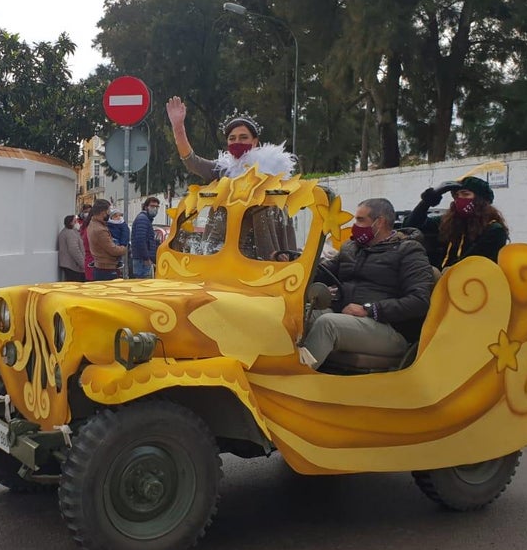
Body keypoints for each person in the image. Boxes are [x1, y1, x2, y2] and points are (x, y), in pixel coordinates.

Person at [300, 198, 434, 370]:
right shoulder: (351, 248)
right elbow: (321, 272)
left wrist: (370, 309)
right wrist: (293, 266)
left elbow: (419, 300)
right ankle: (270, 372)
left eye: (360, 220)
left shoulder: (408, 251)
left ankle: (294, 381)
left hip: (388, 328)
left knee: (327, 324)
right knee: (299, 316)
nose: (355, 225)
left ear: (380, 222)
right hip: (346, 315)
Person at [165, 97, 296, 180]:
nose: (237, 141)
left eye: (243, 137)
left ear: (255, 141)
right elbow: (193, 162)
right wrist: (178, 128)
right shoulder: (222, 169)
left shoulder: (272, 167)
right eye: (232, 138)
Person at [404, 176, 509, 269]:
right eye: (457, 195)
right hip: (442, 283)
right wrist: (427, 201)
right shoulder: (449, 222)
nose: (460, 199)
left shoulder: (494, 230)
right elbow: (411, 225)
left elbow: (469, 263)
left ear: (480, 199)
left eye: (465, 194)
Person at [86, 199, 127, 282]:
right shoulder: (100, 230)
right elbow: (113, 250)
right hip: (106, 269)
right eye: (108, 210)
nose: (109, 213)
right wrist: (124, 248)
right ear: (103, 212)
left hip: (101, 267)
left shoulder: (93, 224)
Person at [131, 197, 161, 278]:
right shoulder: (143, 219)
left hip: (142, 259)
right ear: (146, 207)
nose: (155, 209)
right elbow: (140, 240)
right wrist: (146, 258)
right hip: (142, 261)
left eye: (157, 207)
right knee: (143, 283)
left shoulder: (146, 219)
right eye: (152, 206)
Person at [57, 215, 85, 282]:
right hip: (73, 266)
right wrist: (83, 263)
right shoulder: (70, 233)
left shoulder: (67, 232)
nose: (77, 223)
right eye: (75, 221)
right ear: (70, 223)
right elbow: (74, 250)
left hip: (70, 265)